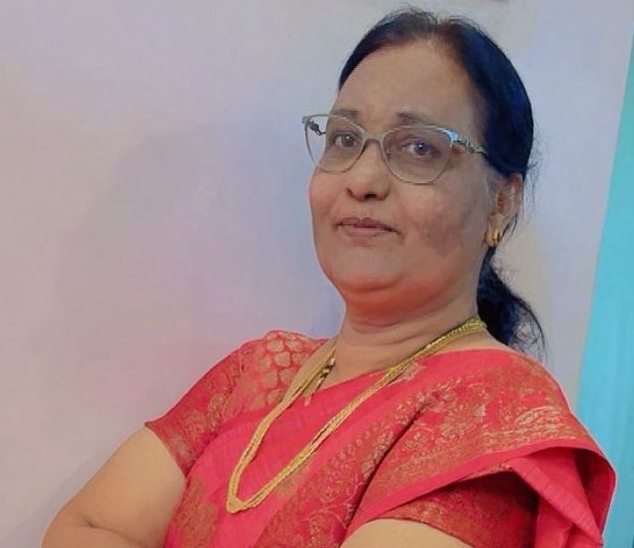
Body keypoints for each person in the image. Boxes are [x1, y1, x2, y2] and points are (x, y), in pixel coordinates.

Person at [42, 8, 615, 548]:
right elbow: (80, 527)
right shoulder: (261, 373)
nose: (362, 180)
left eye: (418, 148)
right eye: (344, 138)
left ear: (501, 203)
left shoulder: (493, 416)